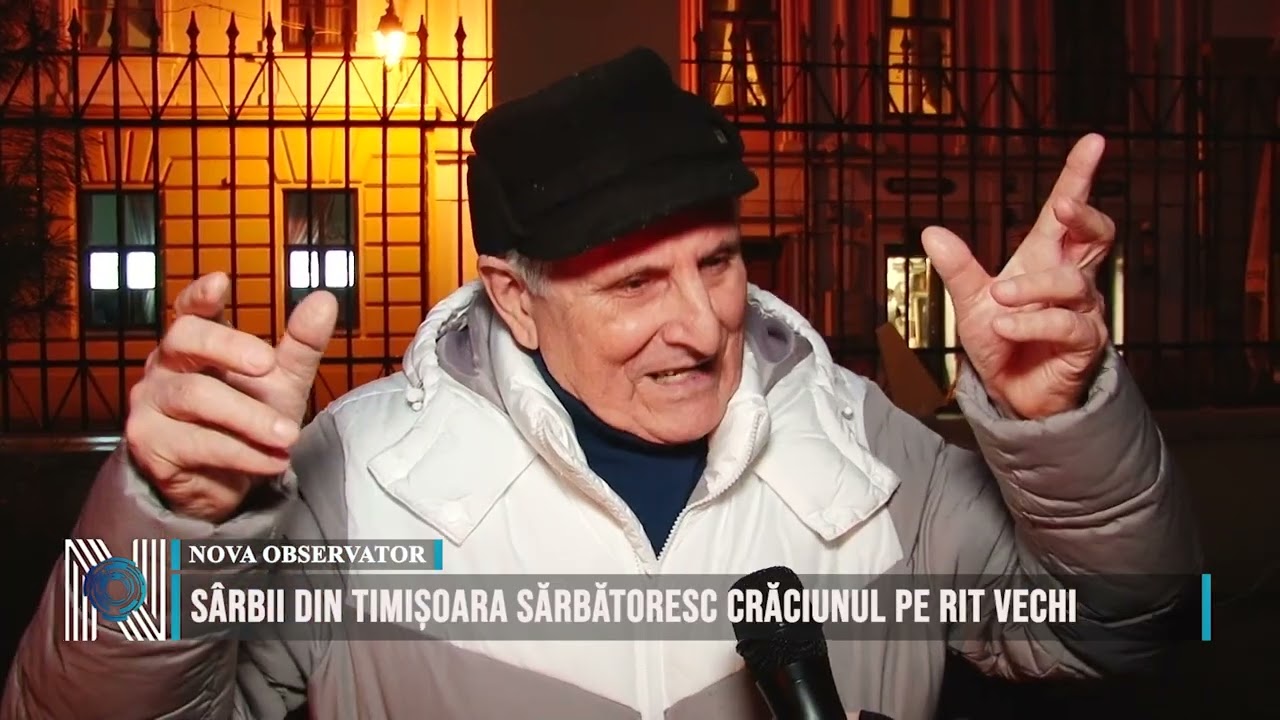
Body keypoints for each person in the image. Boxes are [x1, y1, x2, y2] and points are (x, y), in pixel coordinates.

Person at [2, 47, 1198, 720]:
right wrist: (164, 524)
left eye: (717, 261)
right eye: (632, 283)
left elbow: (1145, 628)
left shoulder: (861, 444)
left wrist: (1064, 425)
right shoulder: (355, 480)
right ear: (514, 297)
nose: (701, 323)